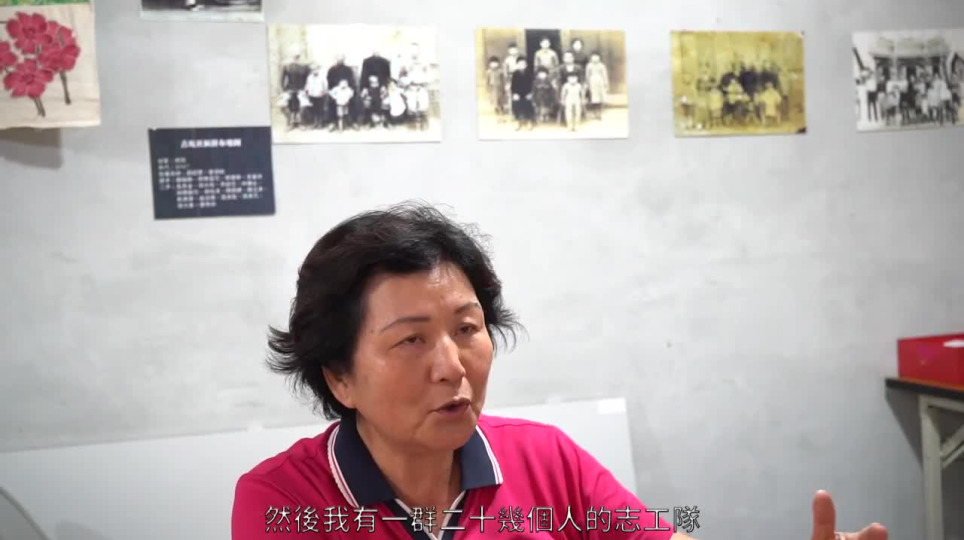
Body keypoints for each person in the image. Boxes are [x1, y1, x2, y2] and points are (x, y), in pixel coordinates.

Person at [231, 202, 890, 540]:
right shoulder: (283, 502)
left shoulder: (546, 459)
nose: (453, 366)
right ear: (339, 377)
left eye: (467, 329)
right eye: (410, 341)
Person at [510, 57, 534, 131]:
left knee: (528, 106)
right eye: (519, 64)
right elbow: (513, 85)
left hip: (527, 93)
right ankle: (518, 122)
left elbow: (531, 84)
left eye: (523, 64)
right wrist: (514, 94)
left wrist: (530, 93)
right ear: (517, 65)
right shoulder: (515, 73)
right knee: (517, 105)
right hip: (517, 93)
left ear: (526, 65)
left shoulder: (529, 73)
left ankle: (529, 122)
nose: (521, 65)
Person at [585, 52, 609, 120]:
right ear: (591, 58)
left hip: (600, 81)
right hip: (592, 81)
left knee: (601, 97)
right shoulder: (589, 65)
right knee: (594, 97)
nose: (595, 59)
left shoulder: (602, 65)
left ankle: (599, 112)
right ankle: (594, 112)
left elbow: (604, 75)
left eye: (597, 57)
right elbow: (587, 75)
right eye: (593, 57)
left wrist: (606, 83)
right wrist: (587, 83)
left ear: (599, 58)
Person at [305, 64, 327, 129]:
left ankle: (320, 123)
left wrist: (323, 92)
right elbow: (307, 85)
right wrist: (307, 92)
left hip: (320, 95)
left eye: (316, 69)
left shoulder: (322, 77)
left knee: (320, 109)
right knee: (314, 109)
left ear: (318, 70)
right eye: (313, 70)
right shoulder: (309, 77)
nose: (314, 71)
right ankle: (315, 123)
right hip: (312, 95)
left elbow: (325, 86)